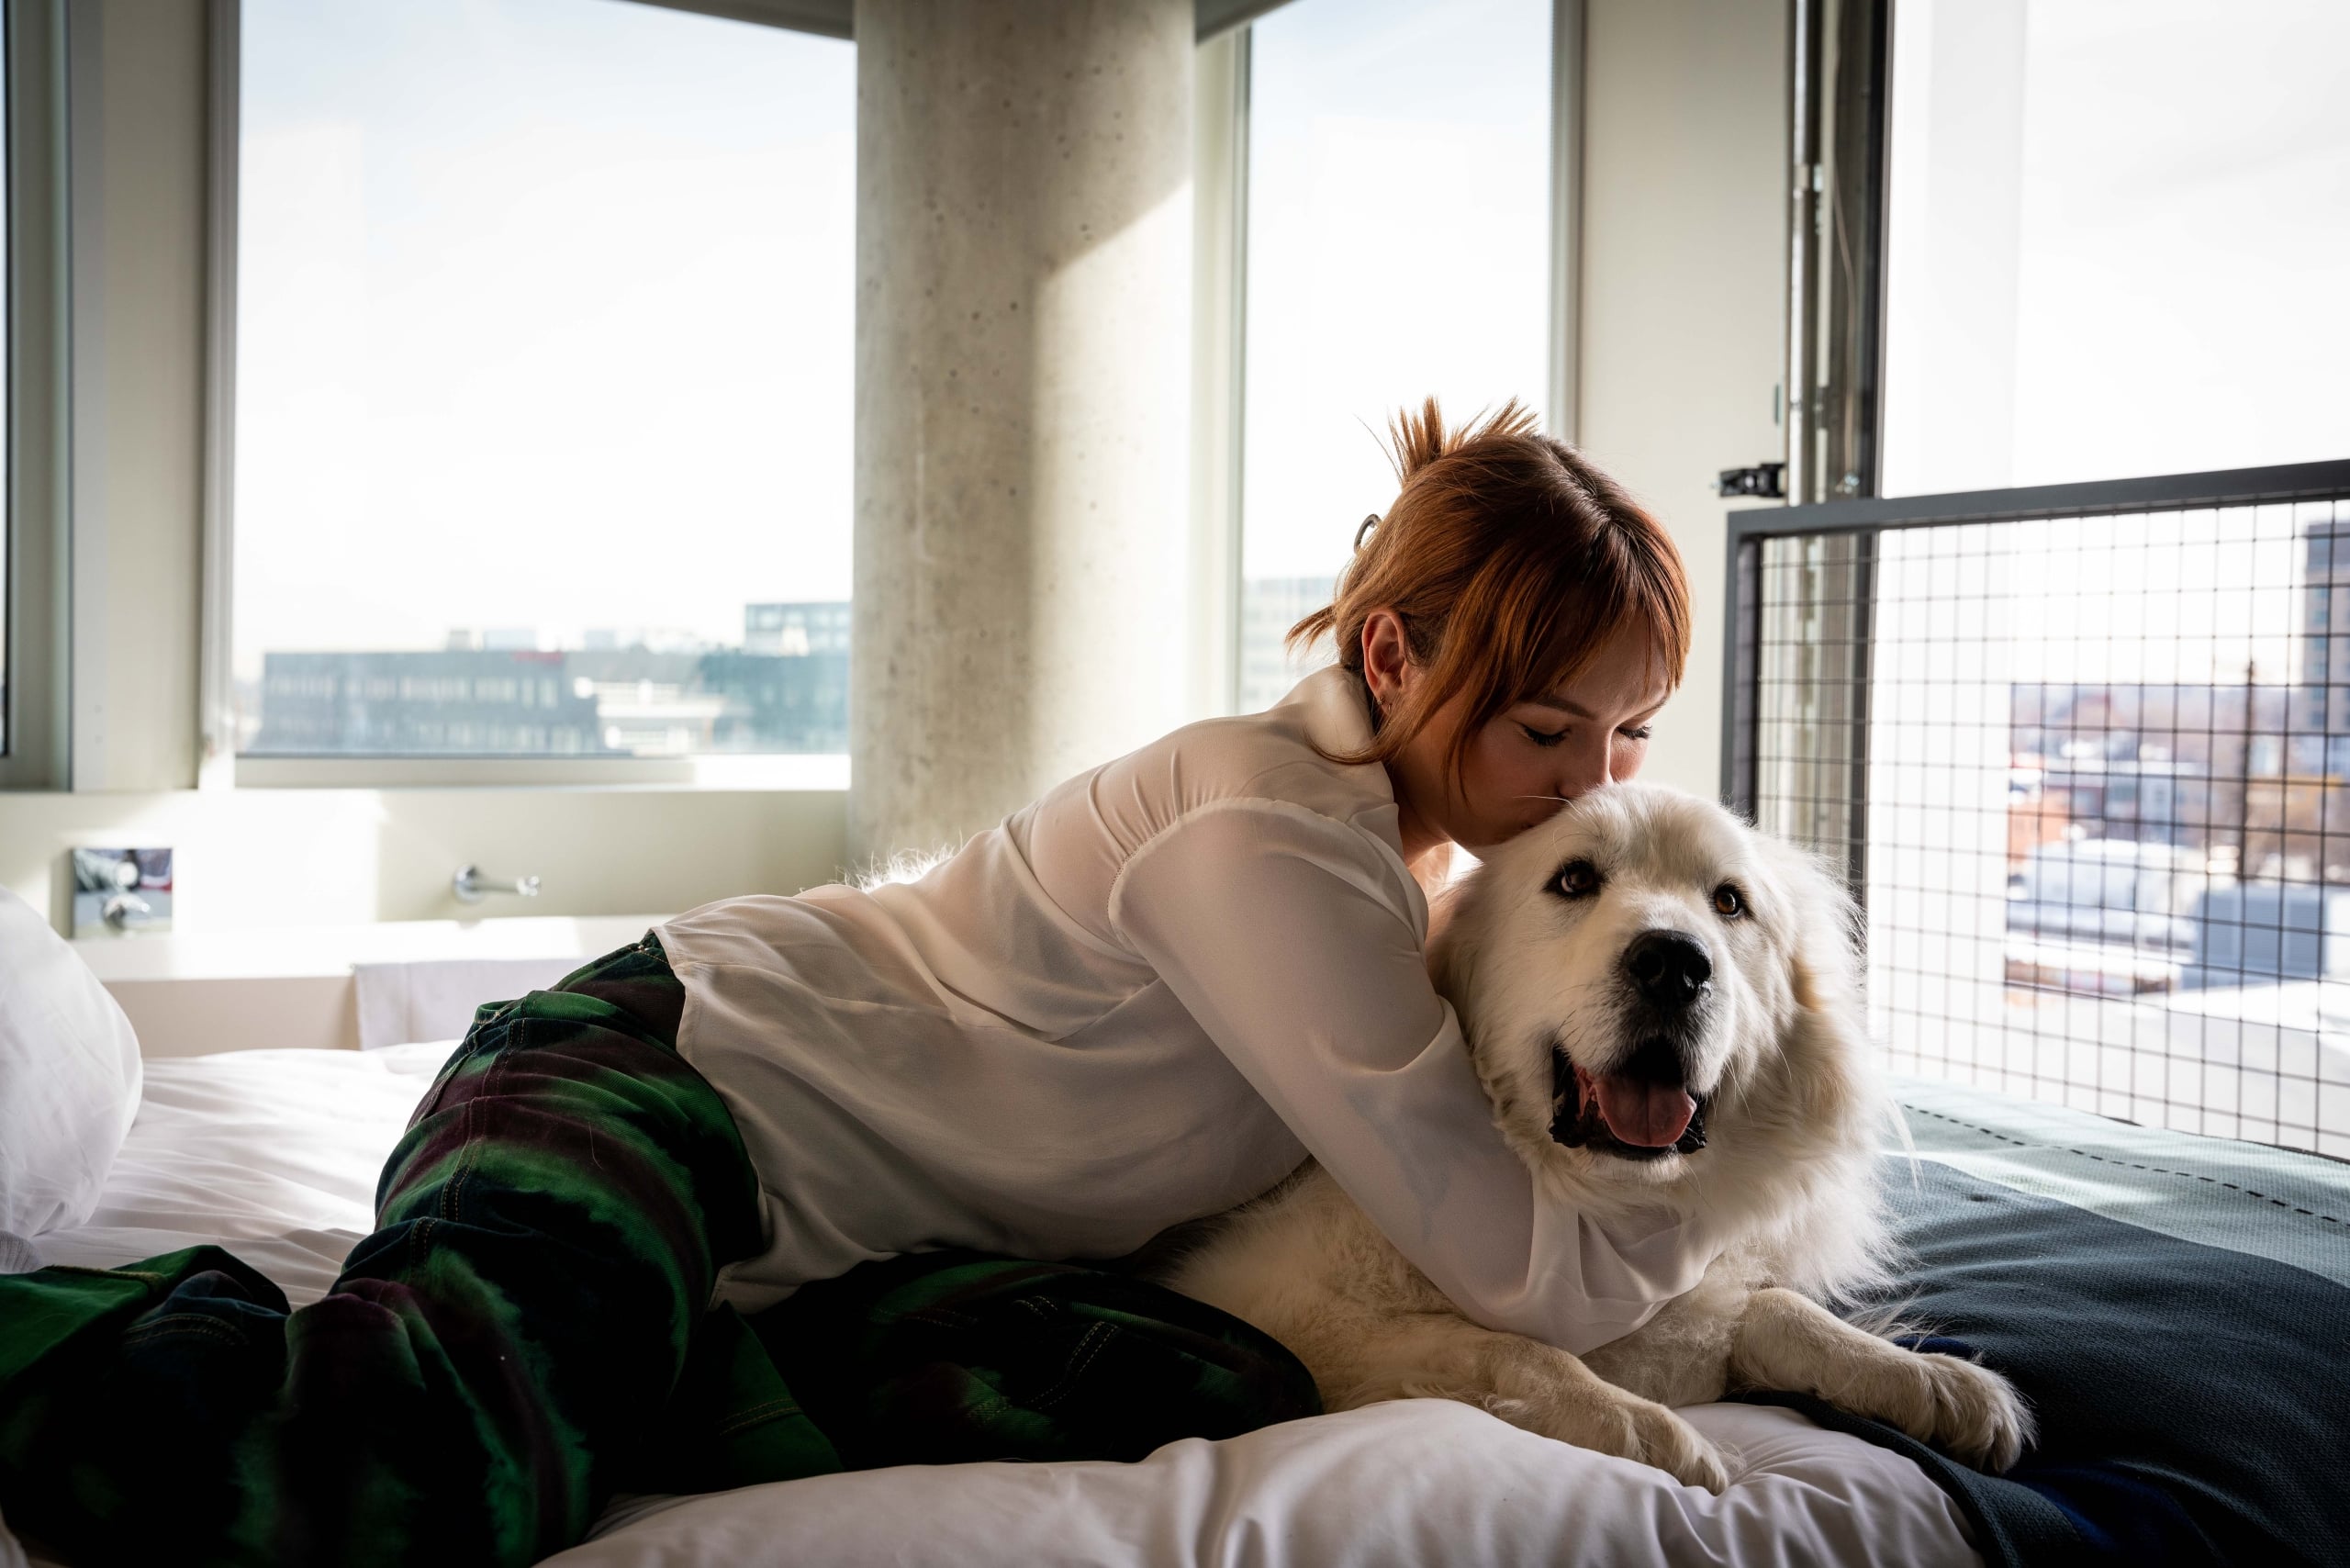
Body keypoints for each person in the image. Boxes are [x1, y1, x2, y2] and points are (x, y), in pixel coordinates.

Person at [0, 399, 1701, 1567]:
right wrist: (1732, 1222)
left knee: (1194, 1373)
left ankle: (655, 1358)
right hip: (664, 1084)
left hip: (829, 1231)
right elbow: (1505, 1261)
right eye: (1547, 729)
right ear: (1393, 655)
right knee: (401, 1483)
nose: (1589, 780)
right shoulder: (1274, 832)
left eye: (1627, 735)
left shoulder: (1413, 871)